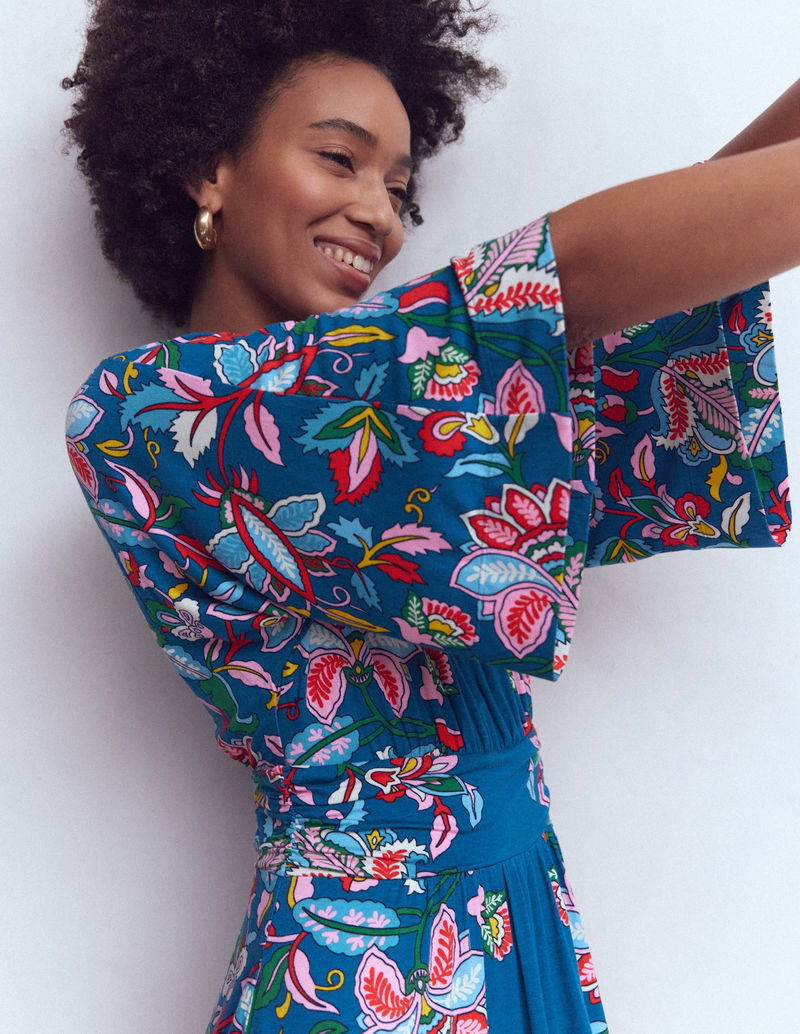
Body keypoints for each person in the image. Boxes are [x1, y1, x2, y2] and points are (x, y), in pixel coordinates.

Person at [62, 1, 796, 1031]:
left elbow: (663, 277)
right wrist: (550, 297)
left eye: (400, 188)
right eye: (340, 159)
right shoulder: (147, 414)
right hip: (370, 972)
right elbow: (569, 284)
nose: (381, 215)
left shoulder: (415, 400)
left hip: (513, 925)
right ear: (207, 168)